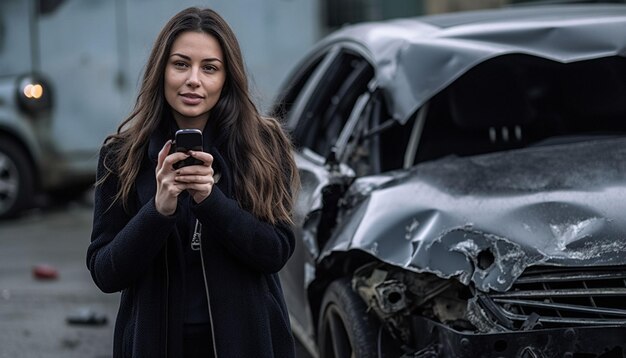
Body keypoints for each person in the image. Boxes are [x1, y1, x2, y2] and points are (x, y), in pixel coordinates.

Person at [86, 7, 300, 357]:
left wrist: (210, 201)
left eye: (210, 68)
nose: (193, 80)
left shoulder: (262, 146)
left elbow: (275, 251)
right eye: (181, 64)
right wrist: (158, 211)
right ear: (162, 70)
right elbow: (105, 272)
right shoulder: (121, 155)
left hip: (247, 344)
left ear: (227, 78)